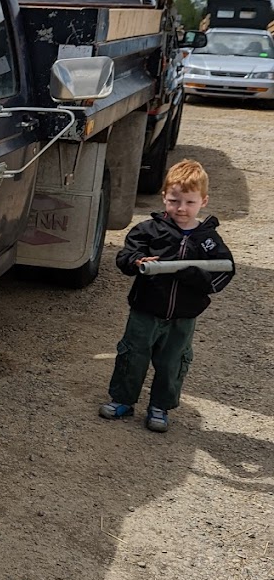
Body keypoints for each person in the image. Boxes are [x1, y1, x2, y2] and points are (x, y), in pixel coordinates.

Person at [99, 158, 235, 432]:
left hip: (182, 317)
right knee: (133, 355)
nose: (181, 208)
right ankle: (123, 400)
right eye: (174, 201)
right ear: (164, 197)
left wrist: (193, 275)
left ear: (203, 201)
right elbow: (126, 255)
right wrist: (137, 261)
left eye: (189, 202)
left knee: (173, 361)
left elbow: (224, 271)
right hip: (146, 310)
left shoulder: (207, 239)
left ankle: (160, 406)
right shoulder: (149, 230)